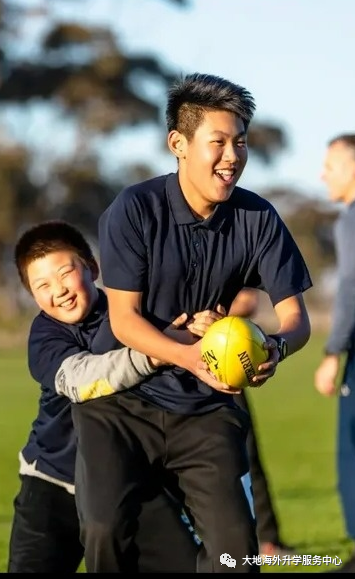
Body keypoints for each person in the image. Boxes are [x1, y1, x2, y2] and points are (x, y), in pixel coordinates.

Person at [73, 72, 312, 573]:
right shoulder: (134, 210)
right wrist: (190, 355)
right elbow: (123, 321)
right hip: (120, 405)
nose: (233, 156)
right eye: (218, 142)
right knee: (104, 530)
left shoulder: (258, 218)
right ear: (178, 143)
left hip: (206, 410)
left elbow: (295, 319)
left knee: (236, 555)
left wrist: (273, 347)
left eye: (240, 142)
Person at [8, 219, 217, 573]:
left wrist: (204, 330)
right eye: (42, 285)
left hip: (128, 479)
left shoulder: (134, 313)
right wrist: (158, 351)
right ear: (32, 295)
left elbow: (185, 330)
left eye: (64, 273)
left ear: (92, 268)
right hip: (53, 482)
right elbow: (83, 380)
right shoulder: (43, 337)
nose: (57, 290)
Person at [229, 289, 296, 559]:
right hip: (173, 367)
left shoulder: (230, 253)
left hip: (228, 370)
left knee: (247, 456)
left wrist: (219, 324)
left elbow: (249, 300)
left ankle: (267, 540)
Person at [314, 134, 355, 573]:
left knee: (351, 449)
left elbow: (350, 289)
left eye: (331, 164)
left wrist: (332, 351)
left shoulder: (350, 220)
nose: (322, 174)